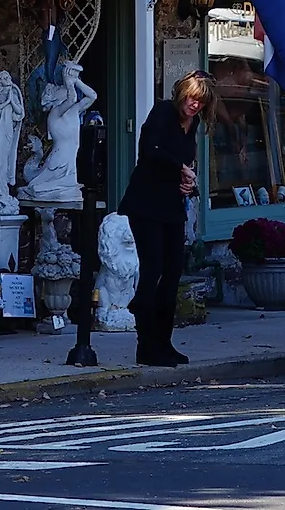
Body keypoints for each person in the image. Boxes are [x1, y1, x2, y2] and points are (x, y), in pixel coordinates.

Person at [119, 71, 208, 367]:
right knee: (153, 269)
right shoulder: (162, 112)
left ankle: (164, 341)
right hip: (145, 204)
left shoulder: (192, 124)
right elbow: (148, 152)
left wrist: (189, 184)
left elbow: (187, 167)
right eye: (192, 97)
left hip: (172, 206)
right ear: (182, 93)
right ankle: (145, 344)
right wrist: (179, 168)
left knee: (172, 273)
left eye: (201, 101)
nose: (194, 104)